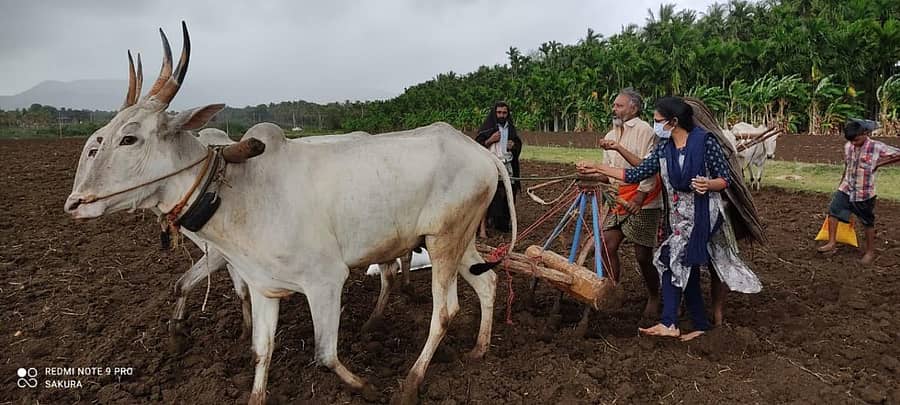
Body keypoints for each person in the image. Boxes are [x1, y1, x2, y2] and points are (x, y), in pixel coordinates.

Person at [578, 96, 761, 341]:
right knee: (686, 266)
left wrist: (708, 184)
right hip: (679, 216)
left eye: (658, 120)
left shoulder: (706, 143)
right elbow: (637, 173)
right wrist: (598, 167)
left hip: (703, 213)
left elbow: (724, 179)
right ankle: (700, 324)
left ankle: (669, 322)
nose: (655, 125)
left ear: (673, 122)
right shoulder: (664, 148)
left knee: (668, 257)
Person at [597, 88, 662, 318]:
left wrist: (640, 196)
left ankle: (654, 295)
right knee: (606, 245)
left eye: (619, 105)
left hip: (644, 200)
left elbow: (649, 168)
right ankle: (612, 291)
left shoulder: (646, 132)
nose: (614, 109)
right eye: (614, 105)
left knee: (643, 256)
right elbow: (609, 173)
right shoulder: (610, 134)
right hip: (618, 198)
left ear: (633, 108)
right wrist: (590, 174)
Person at [817, 118, 900, 265]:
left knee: (867, 222)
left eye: (856, 140)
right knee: (833, 212)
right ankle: (831, 242)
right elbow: (847, 165)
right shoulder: (848, 146)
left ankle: (870, 252)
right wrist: (840, 183)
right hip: (846, 188)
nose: (853, 143)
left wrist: (880, 163)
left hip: (864, 192)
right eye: (851, 141)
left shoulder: (876, 147)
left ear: (865, 134)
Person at [476, 101, 522, 236]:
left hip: (507, 164)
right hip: (491, 165)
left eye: (504, 113)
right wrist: (490, 140)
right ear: (494, 113)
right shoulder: (487, 128)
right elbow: (477, 146)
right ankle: (484, 225)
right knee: (488, 194)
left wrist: (513, 146)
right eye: (499, 112)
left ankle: (503, 223)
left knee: (508, 192)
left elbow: (518, 144)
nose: (502, 115)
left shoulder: (511, 129)